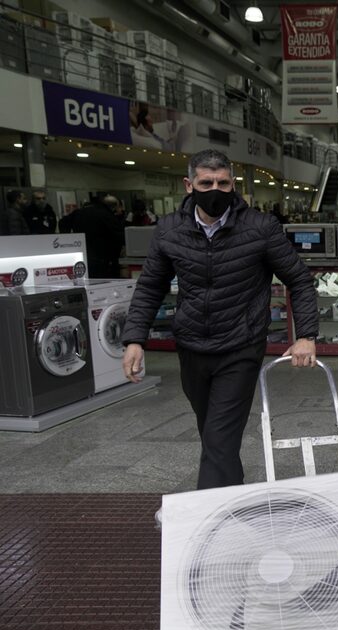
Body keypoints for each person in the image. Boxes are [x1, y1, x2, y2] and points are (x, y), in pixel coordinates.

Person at [120, 149, 319, 490]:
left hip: (239, 347)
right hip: (192, 346)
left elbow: (299, 280)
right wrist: (135, 339)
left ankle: (208, 520)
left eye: (223, 183)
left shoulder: (260, 227)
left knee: (219, 435)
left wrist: (306, 335)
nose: (215, 189)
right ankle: (232, 496)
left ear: (233, 184)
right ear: (189, 184)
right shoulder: (169, 230)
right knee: (213, 434)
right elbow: (150, 285)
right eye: (206, 182)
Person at [74, 194, 123, 279]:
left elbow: (63, 222)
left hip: (84, 256)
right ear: (114, 207)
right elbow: (119, 236)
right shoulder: (107, 215)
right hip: (103, 259)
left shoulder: (82, 212)